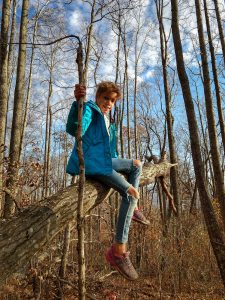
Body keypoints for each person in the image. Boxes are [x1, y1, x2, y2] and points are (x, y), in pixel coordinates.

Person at [66, 81, 150, 280]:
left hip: (105, 161)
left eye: (112, 100)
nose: (109, 102)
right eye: (106, 98)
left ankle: (134, 209)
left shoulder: (108, 121)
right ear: (98, 97)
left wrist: (120, 168)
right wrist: (78, 103)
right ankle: (118, 251)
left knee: (136, 164)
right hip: (92, 163)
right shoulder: (90, 110)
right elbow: (75, 128)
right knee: (131, 193)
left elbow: (111, 152)